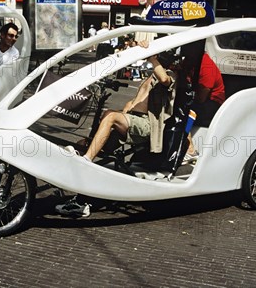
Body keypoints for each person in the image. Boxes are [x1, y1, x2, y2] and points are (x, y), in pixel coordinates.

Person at [57, 41, 177, 217]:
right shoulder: (149, 76)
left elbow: (165, 80)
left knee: (111, 117)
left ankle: (86, 161)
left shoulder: (170, 74)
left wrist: (152, 56)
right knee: (89, 141)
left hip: (146, 125)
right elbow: (133, 103)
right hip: (132, 122)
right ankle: (81, 199)